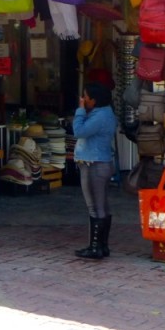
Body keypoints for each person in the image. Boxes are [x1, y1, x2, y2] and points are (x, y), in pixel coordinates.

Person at [72, 82, 118, 260]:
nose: (83, 100)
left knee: (94, 207)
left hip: (94, 164)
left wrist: (80, 110)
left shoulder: (100, 117)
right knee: (102, 206)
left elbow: (79, 131)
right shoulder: (105, 113)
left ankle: (95, 247)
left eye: (86, 97)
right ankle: (102, 246)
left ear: (94, 100)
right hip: (101, 163)